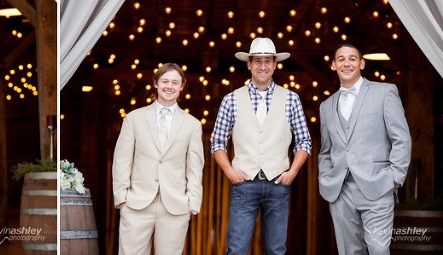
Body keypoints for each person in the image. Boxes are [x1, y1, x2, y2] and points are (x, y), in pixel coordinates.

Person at [210, 37, 312, 255]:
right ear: (249, 64)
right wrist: (229, 171)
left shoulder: (291, 99)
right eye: (258, 61)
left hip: (278, 184)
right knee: (236, 250)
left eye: (268, 61)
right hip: (244, 184)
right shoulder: (231, 99)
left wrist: (292, 172)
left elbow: (304, 141)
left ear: (275, 64)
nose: (263, 66)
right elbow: (217, 141)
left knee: (276, 250)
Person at [318, 44, 411, 254]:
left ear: (361, 63)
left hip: (378, 186)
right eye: (341, 59)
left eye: (352, 58)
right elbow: (325, 151)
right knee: (349, 252)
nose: (346, 63)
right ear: (333, 65)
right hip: (340, 190)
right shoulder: (326, 106)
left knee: (378, 249)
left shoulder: (385, 92)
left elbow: (401, 138)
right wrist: (325, 177)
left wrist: (394, 177)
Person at [111, 63, 204, 254]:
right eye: (165, 81)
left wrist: (191, 203)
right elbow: (122, 161)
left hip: (175, 208)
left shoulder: (192, 125)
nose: (169, 86)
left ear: (182, 86)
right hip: (136, 205)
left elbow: (195, 168)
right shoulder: (133, 119)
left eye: (174, 82)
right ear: (156, 83)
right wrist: (122, 199)